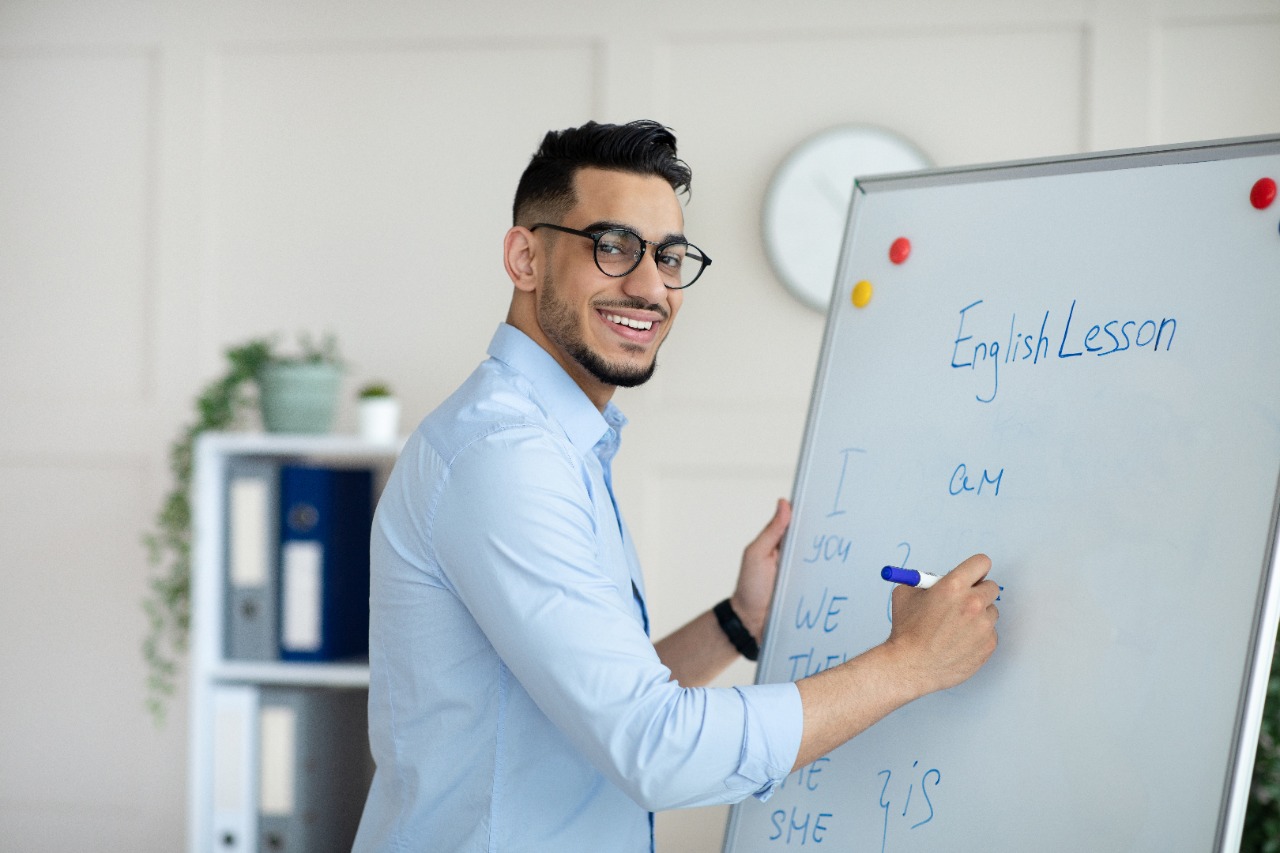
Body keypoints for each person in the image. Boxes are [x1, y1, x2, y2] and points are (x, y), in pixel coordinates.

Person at [352, 119, 1000, 852]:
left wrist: (737, 622)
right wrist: (910, 662)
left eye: (669, 255)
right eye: (613, 246)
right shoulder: (506, 457)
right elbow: (653, 745)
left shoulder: (558, 442)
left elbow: (586, 700)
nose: (650, 285)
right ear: (525, 256)